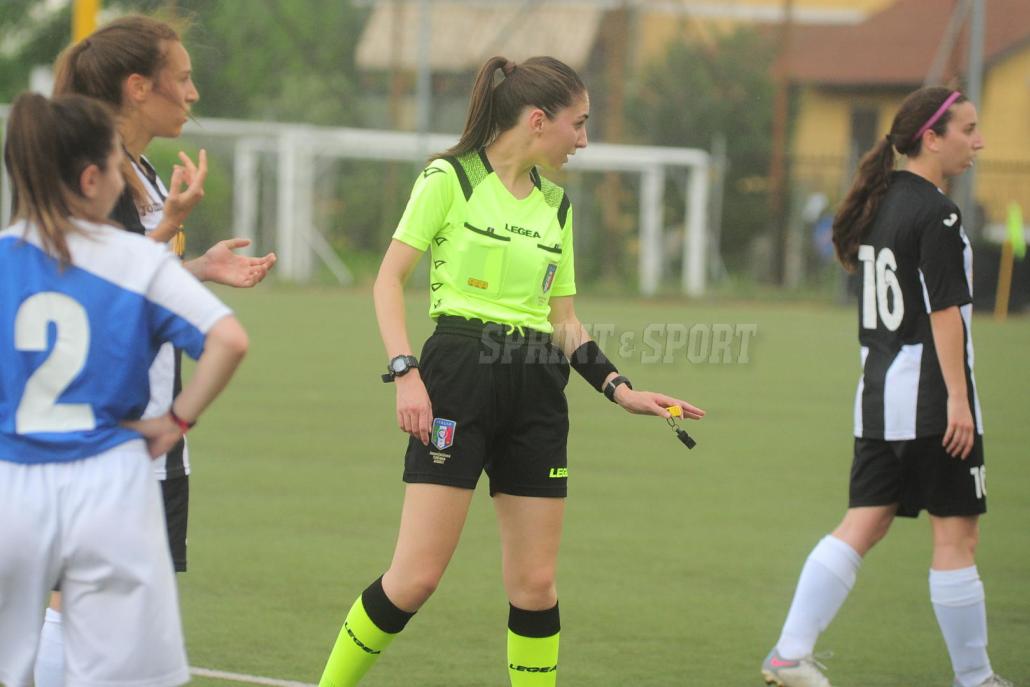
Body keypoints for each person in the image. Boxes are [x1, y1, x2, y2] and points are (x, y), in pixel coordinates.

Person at [317, 55, 704, 687]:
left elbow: (564, 322)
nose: (584, 140)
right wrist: (406, 371)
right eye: (579, 123)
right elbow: (388, 280)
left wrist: (621, 389)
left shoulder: (558, 206)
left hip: (537, 388)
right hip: (458, 377)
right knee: (415, 579)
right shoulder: (448, 179)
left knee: (536, 585)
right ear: (538, 120)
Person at [32, 17, 277, 684]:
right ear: (140, 87)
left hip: (149, 421)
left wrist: (194, 267)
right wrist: (167, 229)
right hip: (108, 425)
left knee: (121, 615)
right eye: (183, 78)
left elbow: (135, 280)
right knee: (83, 612)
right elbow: (93, 287)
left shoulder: (137, 170)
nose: (193, 94)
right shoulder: (90, 173)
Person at [760, 87, 1012, 687]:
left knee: (865, 521)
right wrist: (958, 401)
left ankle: (789, 654)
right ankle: (976, 678)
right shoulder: (938, 213)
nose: (978, 142)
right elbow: (945, 313)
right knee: (957, 535)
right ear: (932, 138)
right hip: (931, 398)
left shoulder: (881, 202)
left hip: (877, 396)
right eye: (968, 130)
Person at [0, 92, 247, 687]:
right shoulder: (135, 260)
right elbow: (229, 341)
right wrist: (176, 421)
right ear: (91, 180)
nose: (126, 181)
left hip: (12, 485)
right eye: (118, 168)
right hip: (107, 484)